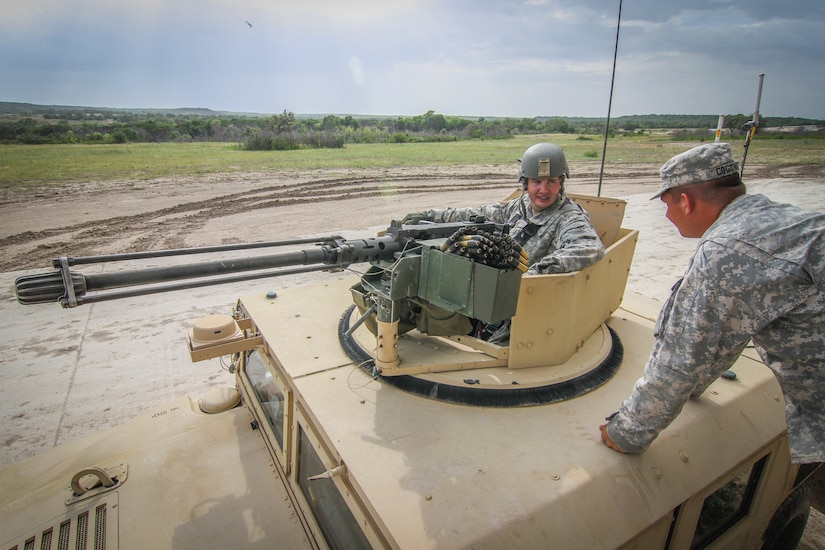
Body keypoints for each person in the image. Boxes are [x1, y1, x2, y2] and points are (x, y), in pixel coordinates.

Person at [600, 142, 825, 465]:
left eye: (666, 204)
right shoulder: (781, 219)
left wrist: (627, 431)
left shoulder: (724, 251)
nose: (666, 215)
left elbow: (681, 357)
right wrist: (698, 385)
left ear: (686, 201)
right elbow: (731, 328)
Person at [402, 142, 605, 344]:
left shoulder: (569, 217)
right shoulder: (520, 206)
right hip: (491, 291)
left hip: (523, 304)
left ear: (561, 182)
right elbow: (479, 213)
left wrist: (533, 274)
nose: (544, 190)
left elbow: (588, 248)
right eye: (537, 181)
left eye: (551, 181)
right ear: (525, 183)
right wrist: (431, 216)